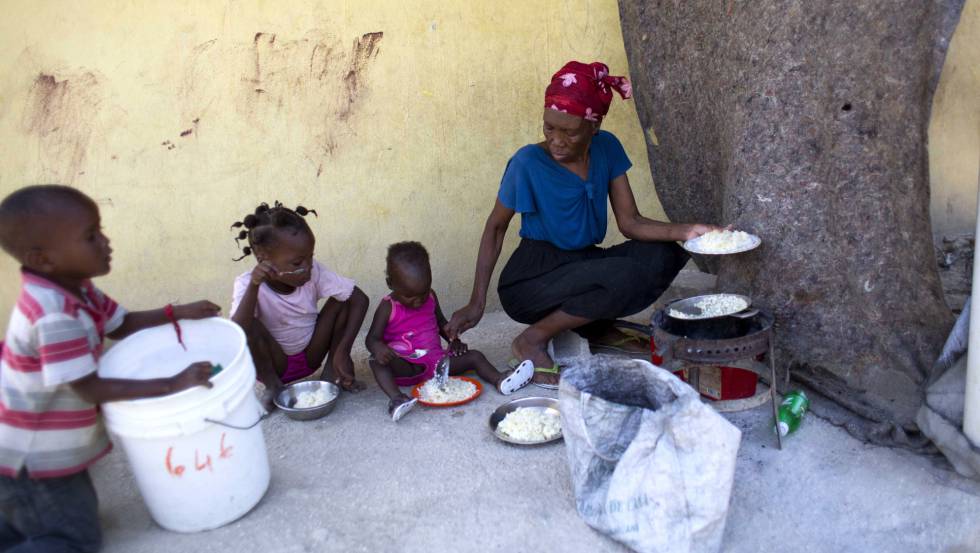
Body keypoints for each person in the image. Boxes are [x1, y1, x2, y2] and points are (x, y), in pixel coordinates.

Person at [446, 61, 723, 388]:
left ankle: (595, 326)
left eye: (570, 131)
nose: (557, 140)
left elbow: (630, 222)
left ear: (595, 126)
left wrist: (688, 232)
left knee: (664, 254)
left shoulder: (607, 148)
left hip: (585, 262)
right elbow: (495, 228)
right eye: (549, 128)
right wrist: (477, 301)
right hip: (532, 277)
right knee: (621, 275)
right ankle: (531, 340)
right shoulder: (527, 163)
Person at [0, 185, 219, 552]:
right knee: (71, 540)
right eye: (91, 236)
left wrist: (175, 313)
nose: (106, 242)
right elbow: (88, 388)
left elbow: (121, 323)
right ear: (44, 259)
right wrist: (173, 383)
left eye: (100, 230)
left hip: (27, 450)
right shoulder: (55, 313)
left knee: (19, 526)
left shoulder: (77, 289)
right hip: (34, 457)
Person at [365, 242, 533, 421]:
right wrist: (378, 348)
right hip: (407, 365)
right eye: (409, 296)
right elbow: (371, 338)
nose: (418, 301)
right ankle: (397, 399)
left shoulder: (430, 296)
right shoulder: (387, 307)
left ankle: (500, 380)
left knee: (475, 356)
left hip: (438, 364)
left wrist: (454, 340)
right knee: (375, 361)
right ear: (391, 284)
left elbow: (440, 324)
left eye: (422, 293)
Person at [229, 201, 369, 406]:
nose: (308, 267)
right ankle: (272, 386)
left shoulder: (314, 272)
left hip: (312, 353)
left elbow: (360, 299)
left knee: (344, 299)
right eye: (297, 263)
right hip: (275, 365)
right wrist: (254, 286)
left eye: (310, 257)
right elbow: (237, 331)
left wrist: (343, 351)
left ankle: (332, 372)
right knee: (249, 323)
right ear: (263, 259)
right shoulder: (246, 284)